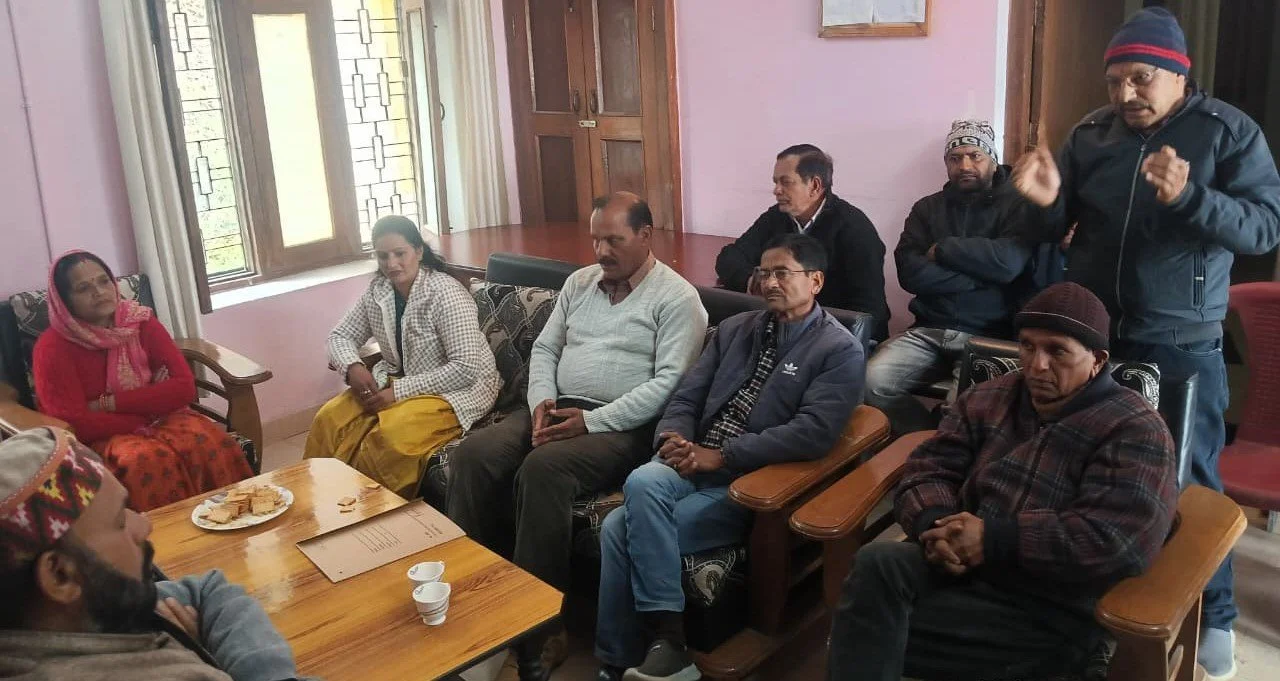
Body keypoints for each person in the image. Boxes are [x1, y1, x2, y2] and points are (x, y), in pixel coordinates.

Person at [1010, 9, 1280, 677]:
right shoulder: (1091, 134)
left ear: (1179, 76)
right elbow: (1052, 225)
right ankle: (1090, 600)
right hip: (1097, 338)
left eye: (1140, 78)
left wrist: (1190, 196)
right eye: (1113, 81)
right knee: (1087, 467)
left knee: (1190, 480)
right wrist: (1044, 203)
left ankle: (1213, 615)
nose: (1124, 94)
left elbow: (1263, 227)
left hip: (1180, 338)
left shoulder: (1226, 132)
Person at [827, 282, 1178, 681]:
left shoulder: (1134, 428)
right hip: (962, 571)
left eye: (1057, 351)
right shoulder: (989, 396)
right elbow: (929, 467)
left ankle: (1075, 662)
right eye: (1027, 346)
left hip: (1051, 603)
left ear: (1097, 360)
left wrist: (993, 540)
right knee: (877, 567)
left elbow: (1119, 541)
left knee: (863, 629)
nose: (1037, 365)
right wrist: (936, 524)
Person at [447, 192, 708, 681]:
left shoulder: (678, 299)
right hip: (556, 406)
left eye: (614, 240)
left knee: (544, 468)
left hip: (622, 426)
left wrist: (591, 421)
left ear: (646, 235)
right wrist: (541, 402)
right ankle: (477, 598)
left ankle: (541, 627)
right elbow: (546, 349)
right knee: (475, 454)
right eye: (595, 240)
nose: (601, 251)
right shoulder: (580, 283)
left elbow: (669, 385)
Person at [595, 234, 864, 681]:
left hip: (749, 484)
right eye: (764, 272)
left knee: (617, 528)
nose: (769, 282)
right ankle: (665, 648)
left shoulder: (838, 350)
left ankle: (623, 657)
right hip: (690, 461)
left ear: (815, 281)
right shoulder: (737, 329)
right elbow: (687, 396)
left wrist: (721, 456)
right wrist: (673, 438)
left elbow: (813, 433)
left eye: (782, 273)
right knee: (644, 480)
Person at [0, 426, 311, 681]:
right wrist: (202, 656)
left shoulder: (85, 606)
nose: (144, 525)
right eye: (120, 521)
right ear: (59, 575)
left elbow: (208, 589)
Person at [32, 251, 253, 512]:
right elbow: (74, 420)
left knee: (207, 441)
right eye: (83, 288)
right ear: (64, 300)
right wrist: (146, 411)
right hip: (102, 437)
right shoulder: (52, 347)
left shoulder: (140, 323)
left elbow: (183, 387)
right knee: (143, 460)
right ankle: (167, 534)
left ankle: (235, 518)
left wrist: (107, 403)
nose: (99, 292)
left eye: (104, 281)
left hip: (164, 418)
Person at [305, 216, 500, 498]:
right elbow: (339, 336)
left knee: (389, 436)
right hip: (396, 380)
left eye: (400, 253)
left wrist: (398, 393)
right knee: (329, 419)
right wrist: (353, 366)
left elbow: (465, 368)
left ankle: (368, 510)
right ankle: (319, 501)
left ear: (419, 251)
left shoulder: (446, 293)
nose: (391, 264)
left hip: (457, 391)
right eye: (383, 256)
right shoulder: (378, 291)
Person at [867, 120, 1035, 435]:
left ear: (992, 158)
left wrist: (943, 249)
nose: (965, 166)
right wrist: (983, 277)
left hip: (989, 336)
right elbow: (910, 274)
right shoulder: (927, 209)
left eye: (975, 156)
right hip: (927, 330)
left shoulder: (1018, 205)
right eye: (955, 158)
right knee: (870, 381)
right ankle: (920, 438)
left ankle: (942, 445)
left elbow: (1008, 264)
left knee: (959, 411)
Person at [714, 144, 890, 341]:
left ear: (814, 185)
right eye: (775, 182)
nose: (776, 190)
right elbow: (729, 257)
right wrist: (754, 282)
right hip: (782, 326)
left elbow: (868, 311)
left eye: (786, 182)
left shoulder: (855, 228)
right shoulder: (777, 217)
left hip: (835, 336)